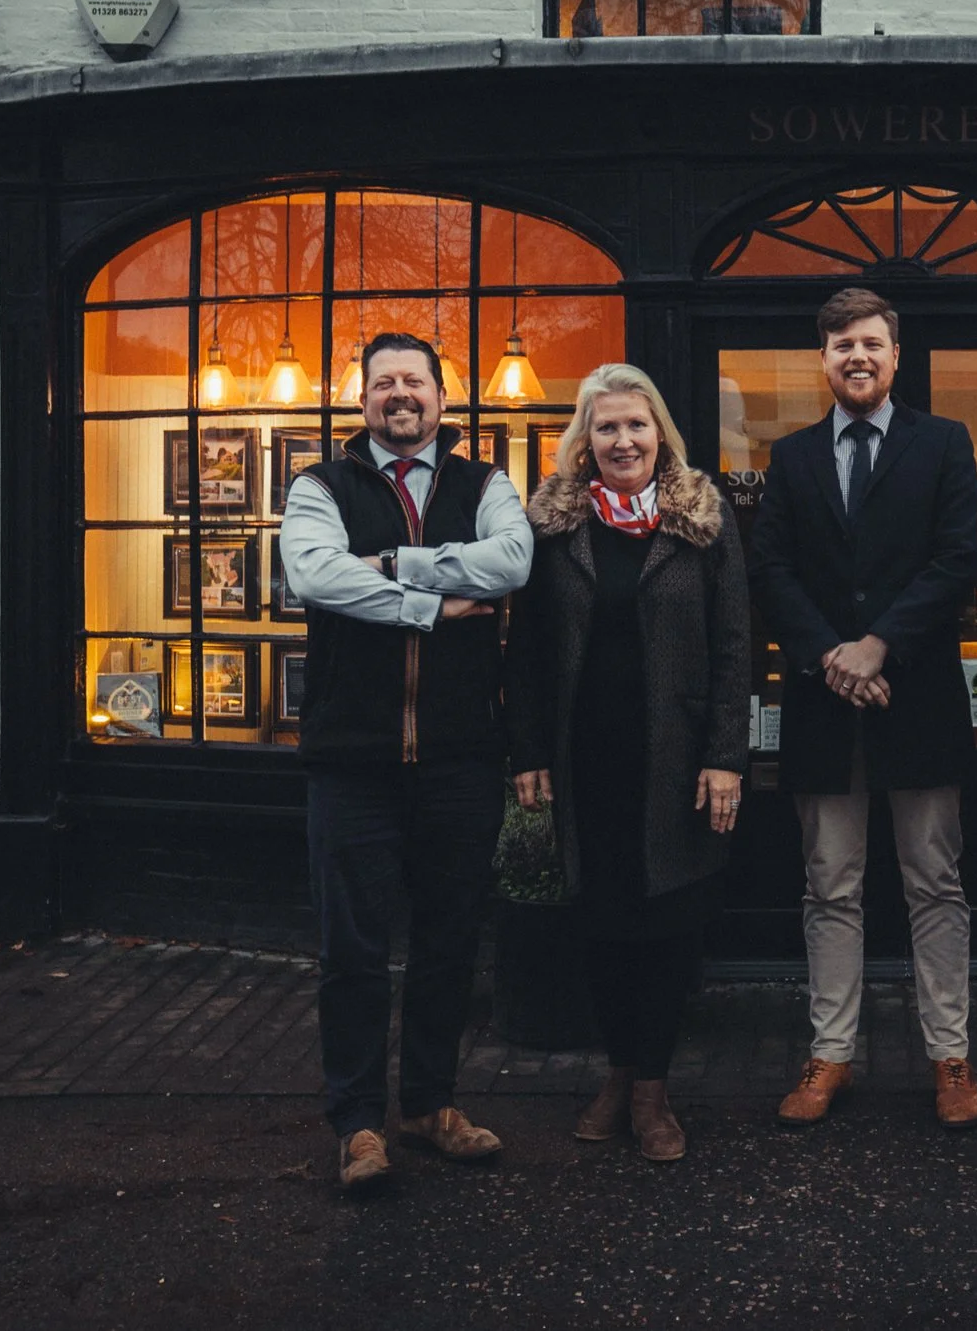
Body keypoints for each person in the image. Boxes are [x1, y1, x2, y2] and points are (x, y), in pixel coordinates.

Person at [279, 332, 535, 1192]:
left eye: (414, 381)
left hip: (461, 758)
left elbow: (513, 560)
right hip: (353, 762)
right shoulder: (321, 485)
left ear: (440, 396)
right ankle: (356, 1124)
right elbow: (315, 575)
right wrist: (433, 605)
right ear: (362, 400)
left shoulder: (485, 482)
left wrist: (392, 565)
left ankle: (429, 1104)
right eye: (383, 381)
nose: (400, 394)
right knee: (351, 951)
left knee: (449, 944)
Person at [746, 287, 977, 1130]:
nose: (858, 356)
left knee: (935, 881)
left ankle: (950, 1056)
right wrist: (830, 656)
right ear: (824, 357)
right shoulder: (792, 456)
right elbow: (770, 570)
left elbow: (957, 560)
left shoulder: (943, 443)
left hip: (915, 697)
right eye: (842, 342)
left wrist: (879, 645)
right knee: (829, 886)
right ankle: (831, 1054)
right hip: (823, 703)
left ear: (895, 356)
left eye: (873, 343)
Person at [508, 364, 750, 1162]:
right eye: (606, 427)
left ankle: (652, 1089)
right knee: (603, 926)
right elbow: (531, 653)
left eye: (636, 426)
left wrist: (725, 755)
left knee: (667, 929)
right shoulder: (554, 528)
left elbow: (734, 645)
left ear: (661, 436)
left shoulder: (702, 522)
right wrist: (530, 748)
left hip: (678, 762)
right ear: (585, 441)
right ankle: (617, 1073)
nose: (623, 440)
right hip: (588, 761)